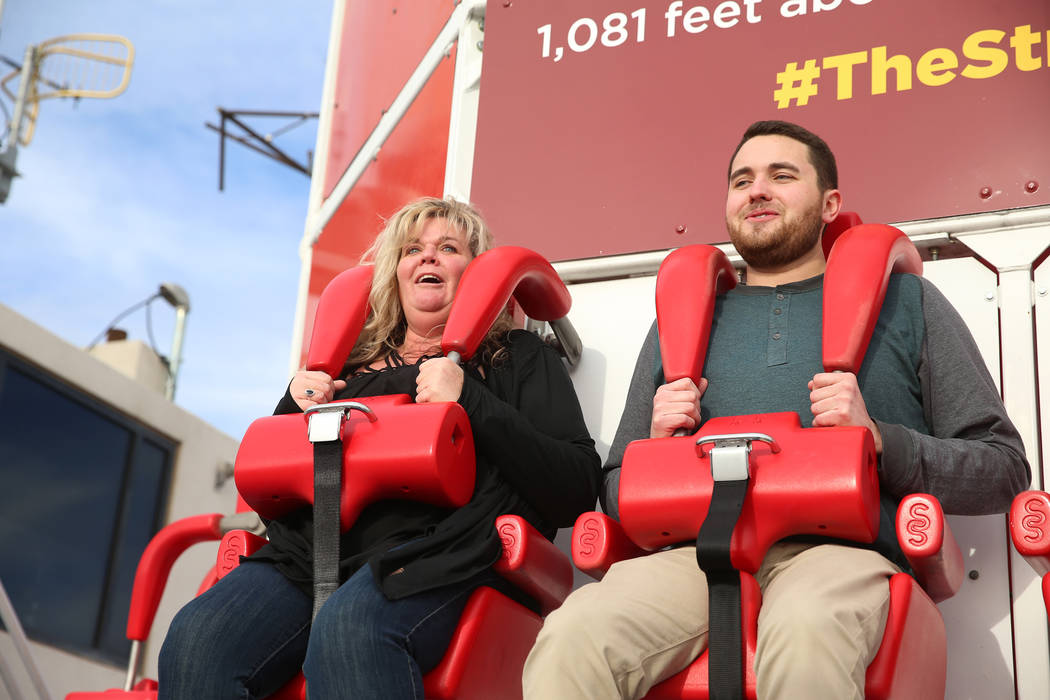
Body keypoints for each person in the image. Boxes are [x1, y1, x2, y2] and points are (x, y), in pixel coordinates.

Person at [522, 121, 1031, 699]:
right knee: (571, 637)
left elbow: (1003, 468)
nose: (757, 190)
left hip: (840, 556)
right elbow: (614, 490)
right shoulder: (682, 323)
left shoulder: (908, 303)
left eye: (781, 176)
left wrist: (880, 439)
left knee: (807, 629)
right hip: (696, 558)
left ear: (829, 203)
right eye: (742, 180)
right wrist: (651, 451)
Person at [158, 197, 601, 699]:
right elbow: (272, 491)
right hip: (309, 556)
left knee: (351, 632)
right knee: (194, 642)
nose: (428, 257)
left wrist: (470, 398)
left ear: (477, 275)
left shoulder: (515, 357)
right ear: (396, 272)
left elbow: (577, 484)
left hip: (442, 552)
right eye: (414, 249)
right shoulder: (344, 369)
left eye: (448, 248)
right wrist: (293, 405)